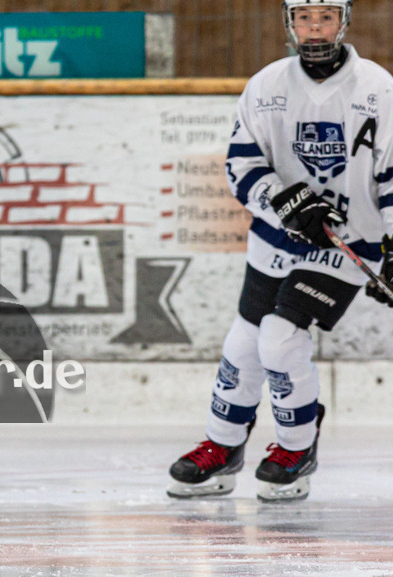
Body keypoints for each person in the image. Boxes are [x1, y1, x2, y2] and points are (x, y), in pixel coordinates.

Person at [167, 0, 393, 503]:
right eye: (305, 17)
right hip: (275, 239)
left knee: (279, 337)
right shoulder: (266, 86)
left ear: (345, 21)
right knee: (244, 342)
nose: (315, 27)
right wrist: (285, 201)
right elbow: (242, 166)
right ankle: (223, 446)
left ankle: (297, 446)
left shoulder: (378, 89)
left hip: (348, 243)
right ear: (289, 23)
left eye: (326, 17)